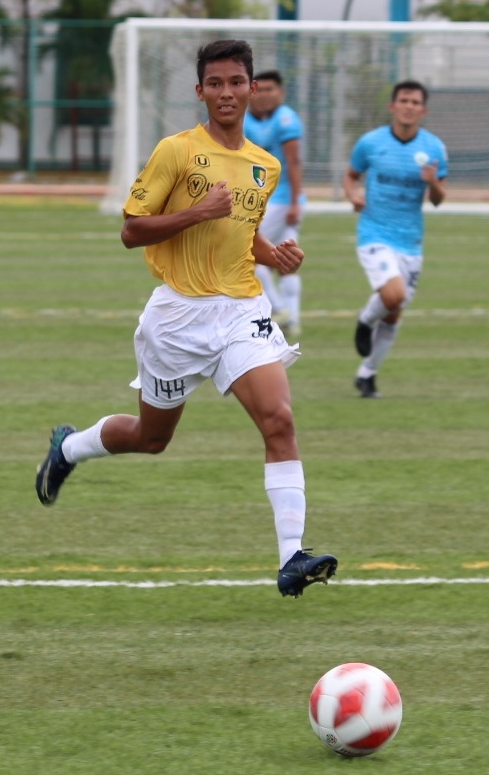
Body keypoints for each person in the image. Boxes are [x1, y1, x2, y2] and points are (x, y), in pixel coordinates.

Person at [33, 39, 337, 600]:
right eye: (215, 84)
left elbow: (239, 236)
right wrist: (197, 210)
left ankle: (291, 557)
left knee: (279, 420)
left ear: (252, 88)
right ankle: (70, 448)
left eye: (236, 82)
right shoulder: (175, 151)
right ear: (200, 91)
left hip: (243, 310)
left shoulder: (263, 166)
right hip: (177, 318)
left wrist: (275, 254)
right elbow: (130, 230)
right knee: (152, 438)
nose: (227, 93)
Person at [343, 80, 448, 399]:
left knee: (394, 310)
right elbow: (350, 175)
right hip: (374, 232)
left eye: (416, 102)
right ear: (392, 106)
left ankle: (367, 374)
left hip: (410, 240)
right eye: (404, 100)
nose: (409, 106)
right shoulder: (370, 143)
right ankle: (364, 321)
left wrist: (432, 184)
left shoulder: (433, 149)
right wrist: (353, 196)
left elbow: (438, 200)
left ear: (423, 110)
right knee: (393, 294)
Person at [243, 70, 305, 338]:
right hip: (258, 197)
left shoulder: (286, 118)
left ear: (280, 93)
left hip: (279, 200)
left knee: (248, 250)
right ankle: (292, 319)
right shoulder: (243, 119)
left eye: (272, 89)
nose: (266, 95)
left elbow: (293, 162)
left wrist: (294, 202)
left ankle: (279, 309)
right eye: (262, 89)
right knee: (284, 259)